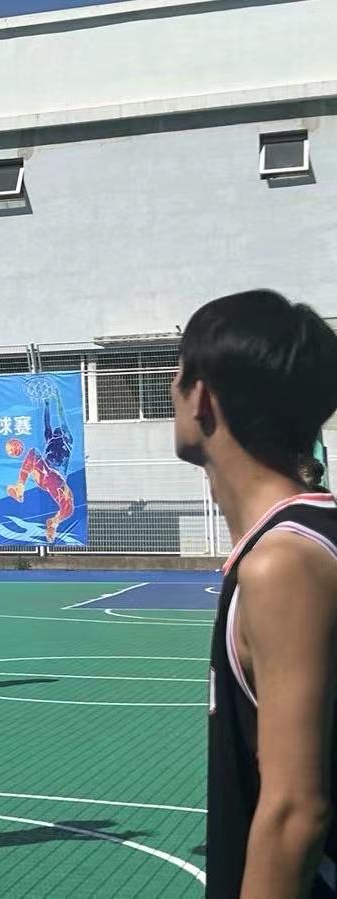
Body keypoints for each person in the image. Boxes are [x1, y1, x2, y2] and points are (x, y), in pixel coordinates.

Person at [172, 289, 337, 898]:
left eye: (177, 373)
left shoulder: (284, 562)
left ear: (202, 396)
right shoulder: (303, 539)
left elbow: (295, 813)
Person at [5, 389, 75, 543]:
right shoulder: (50, 437)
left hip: (55, 479)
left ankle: (54, 522)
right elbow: (47, 422)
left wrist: (58, 400)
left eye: (58, 430)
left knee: (69, 507)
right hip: (44, 472)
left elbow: (62, 418)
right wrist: (47, 404)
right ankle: (19, 488)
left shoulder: (67, 439)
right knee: (34, 452)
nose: (55, 430)